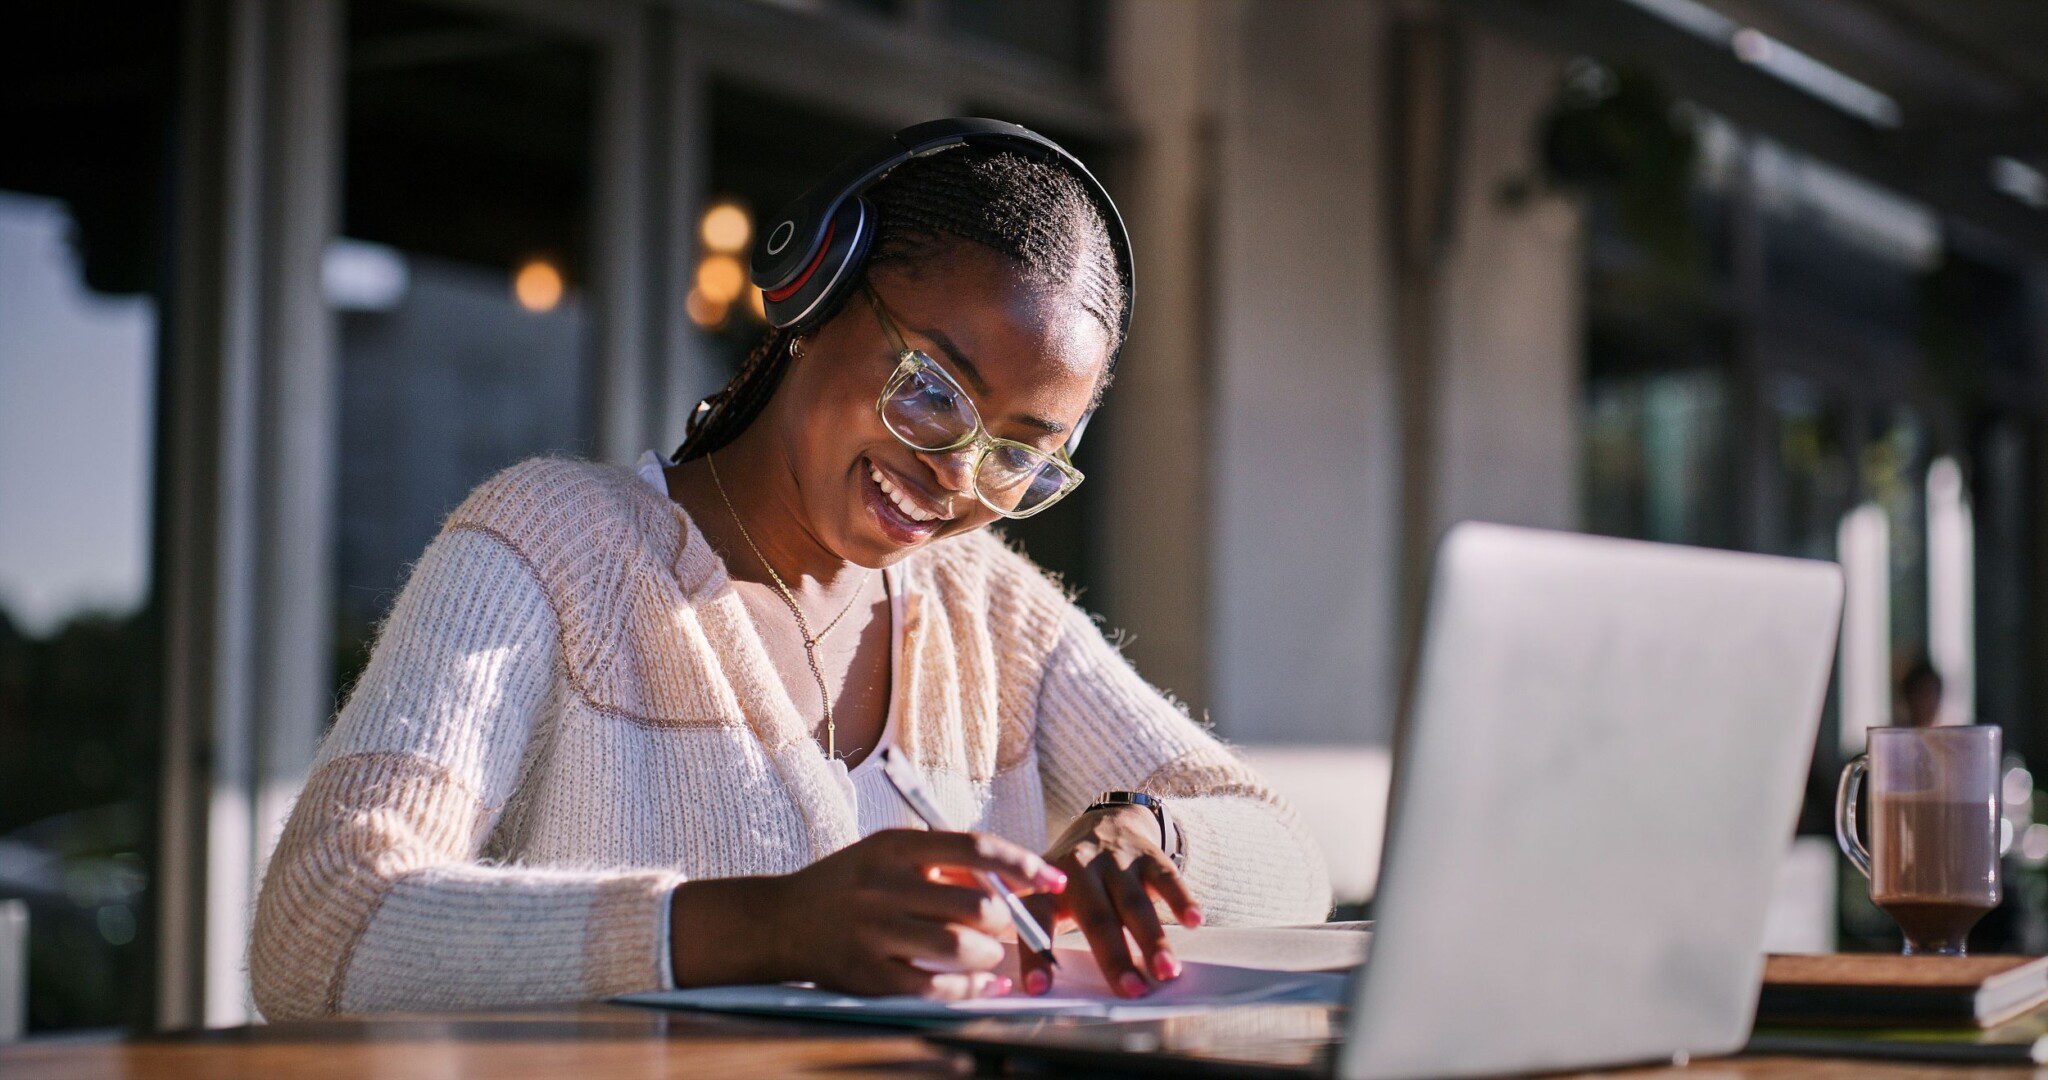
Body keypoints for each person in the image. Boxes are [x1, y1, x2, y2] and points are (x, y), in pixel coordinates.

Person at [248, 128, 1332, 1021]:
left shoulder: (989, 612)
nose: (952, 478)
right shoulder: (551, 546)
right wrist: (768, 927)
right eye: (932, 389)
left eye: (1015, 456)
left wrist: (1142, 829)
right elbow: (322, 927)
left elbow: (1285, 853)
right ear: (813, 298)